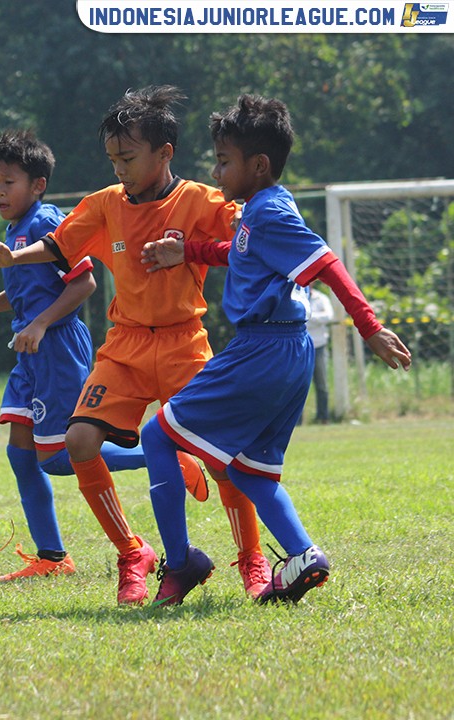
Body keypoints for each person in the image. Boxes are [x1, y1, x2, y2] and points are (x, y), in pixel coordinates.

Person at [0, 86, 269, 604]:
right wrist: (12, 260)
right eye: (113, 159)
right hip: (126, 346)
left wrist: (192, 251)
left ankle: (252, 560)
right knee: (80, 441)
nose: (119, 170)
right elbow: (58, 246)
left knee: (225, 458)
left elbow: (249, 243)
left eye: (128, 158)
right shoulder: (106, 205)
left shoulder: (200, 201)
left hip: (184, 343)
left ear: (164, 153)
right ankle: (133, 553)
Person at [139, 94, 411, 605]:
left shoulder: (268, 215)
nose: (216, 171)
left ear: (258, 165)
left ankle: (181, 563)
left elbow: (327, 262)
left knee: (157, 437)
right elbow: (241, 248)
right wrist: (189, 251)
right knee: (247, 468)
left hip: (260, 350)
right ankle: (304, 555)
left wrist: (368, 326)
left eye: (224, 161)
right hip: (290, 351)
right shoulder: (265, 208)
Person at [0, 129, 208, 582]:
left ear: (38, 185)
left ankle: (164, 455)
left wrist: (42, 324)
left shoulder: (49, 221)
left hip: (58, 347)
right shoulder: (15, 231)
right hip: (28, 351)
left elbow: (83, 284)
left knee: (56, 455)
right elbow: (23, 292)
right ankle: (52, 557)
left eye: (8, 182)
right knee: (22, 455)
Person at [304, 285, 335, 424]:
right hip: (301, 347)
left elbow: (328, 316)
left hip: (319, 346)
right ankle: (297, 420)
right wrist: (315, 319)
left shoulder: (321, 298)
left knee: (322, 384)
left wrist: (309, 317)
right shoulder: (297, 297)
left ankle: (323, 417)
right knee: (300, 386)